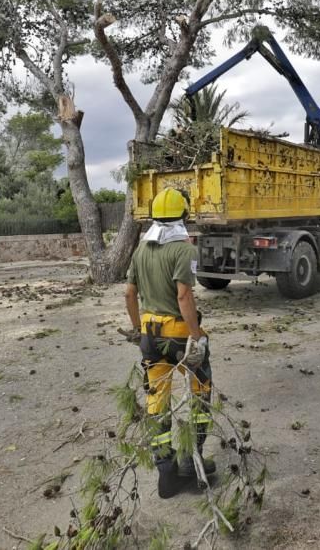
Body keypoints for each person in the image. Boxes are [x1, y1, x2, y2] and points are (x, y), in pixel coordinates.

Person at [124, 187, 215, 498]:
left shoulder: (139, 251)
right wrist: (196, 336)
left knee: (157, 401)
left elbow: (129, 294)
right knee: (200, 392)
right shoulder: (184, 250)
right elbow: (184, 295)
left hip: (150, 335)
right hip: (179, 334)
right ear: (184, 215)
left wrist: (137, 329)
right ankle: (193, 461)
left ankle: (167, 474)